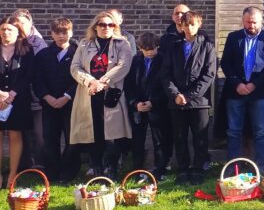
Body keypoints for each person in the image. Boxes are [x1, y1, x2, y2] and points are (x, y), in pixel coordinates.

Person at [68, 11, 132, 178]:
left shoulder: (122, 44)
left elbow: (124, 65)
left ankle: (112, 169)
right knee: (93, 133)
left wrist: (102, 82)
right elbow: (75, 67)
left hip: (111, 94)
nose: (106, 27)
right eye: (102, 24)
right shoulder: (84, 44)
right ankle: (97, 169)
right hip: (89, 94)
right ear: (95, 27)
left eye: (111, 25)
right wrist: (91, 82)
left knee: (113, 134)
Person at [221, 6, 264, 172]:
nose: (251, 26)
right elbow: (225, 63)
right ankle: (232, 168)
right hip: (235, 92)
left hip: (259, 92)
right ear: (242, 21)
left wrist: (255, 84)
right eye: (248, 22)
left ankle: (261, 167)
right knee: (233, 132)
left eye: (254, 22)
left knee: (260, 132)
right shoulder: (233, 37)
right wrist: (237, 84)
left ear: (261, 21)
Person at [163, 10, 216, 183]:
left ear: (199, 24)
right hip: (177, 101)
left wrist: (189, 95)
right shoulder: (174, 46)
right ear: (181, 26)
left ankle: (198, 169)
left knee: (200, 137)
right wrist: (176, 94)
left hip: (199, 101)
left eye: (192, 24)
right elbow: (166, 73)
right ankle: (183, 169)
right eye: (186, 25)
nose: (189, 28)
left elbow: (209, 74)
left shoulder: (207, 47)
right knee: (179, 137)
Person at [34, 17, 77, 181]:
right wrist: (46, 96)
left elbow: (81, 78)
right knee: (50, 138)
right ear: (51, 34)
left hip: (71, 103)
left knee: (72, 139)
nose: (61, 36)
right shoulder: (43, 55)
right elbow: (37, 79)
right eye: (57, 33)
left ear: (71, 32)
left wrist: (67, 96)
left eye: (64, 32)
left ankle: (68, 172)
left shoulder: (77, 53)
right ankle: (52, 172)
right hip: (49, 103)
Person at [125, 32, 168, 173]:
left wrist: (153, 102)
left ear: (157, 47)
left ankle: (160, 168)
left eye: (153, 49)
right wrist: (135, 103)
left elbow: (166, 85)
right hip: (139, 106)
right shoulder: (135, 61)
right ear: (140, 48)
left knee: (159, 139)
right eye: (146, 49)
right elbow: (129, 85)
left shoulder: (163, 60)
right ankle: (137, 169)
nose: (150, 52)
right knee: (137, 139)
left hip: (158, 106)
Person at [0, 17, 36, 185]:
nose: (6, 32)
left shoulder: (27, 50)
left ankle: (12, 175)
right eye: (3, 29)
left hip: (19, 99)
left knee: (15, 134)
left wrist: (12, 94)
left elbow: (29, 74)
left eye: (10, 30)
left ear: (18, 33)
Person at [10, 9, 47, 170]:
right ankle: (23, 164)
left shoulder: (38, 43)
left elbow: (38, 71)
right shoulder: (12, 42)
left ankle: (41, 163)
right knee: (20, 132)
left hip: (36, 95)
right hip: (17, 95)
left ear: (30, 23)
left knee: (40, 133)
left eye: (23, 23)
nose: (20, 26)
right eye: (17, 23)